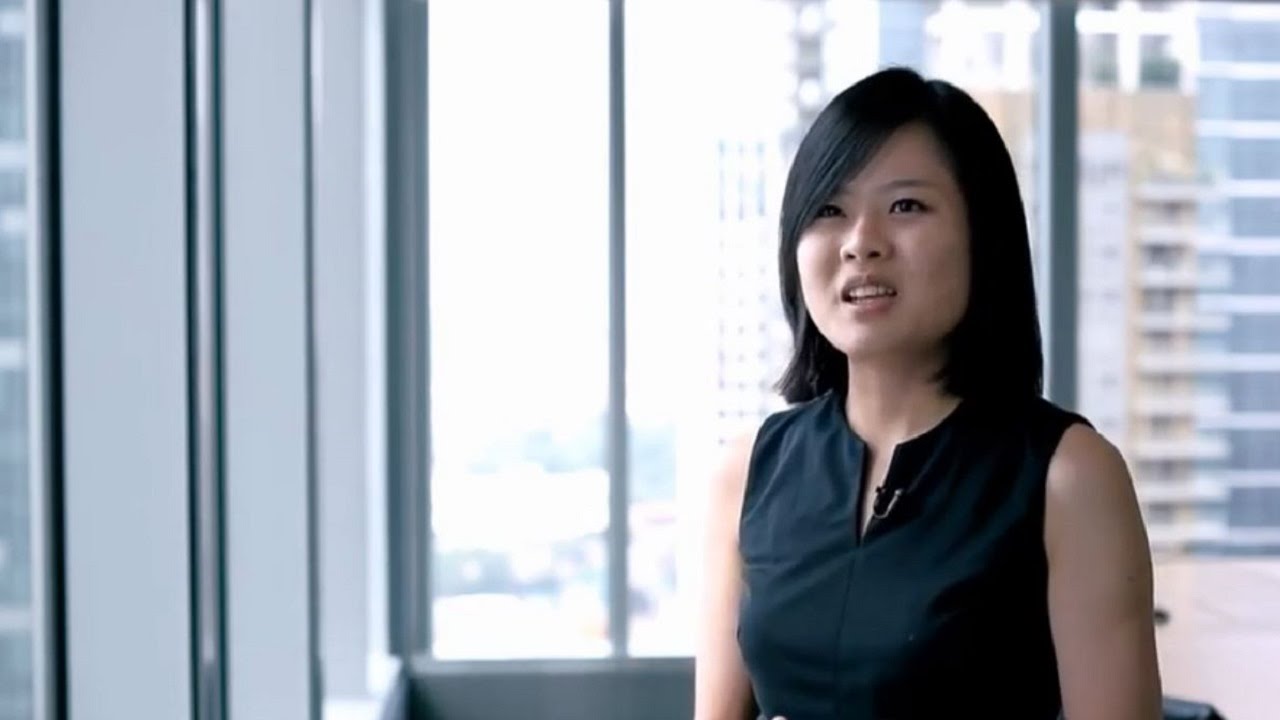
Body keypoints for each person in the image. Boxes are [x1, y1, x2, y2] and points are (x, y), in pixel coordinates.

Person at [693, 67, 1162, 720]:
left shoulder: (1069, 476)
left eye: (905, 206)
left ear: (982, 236)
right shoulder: (749, 473)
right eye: (829, 210)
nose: (861, 244)